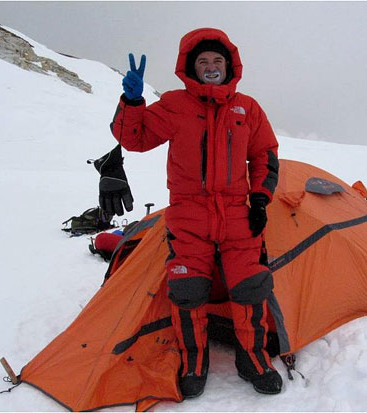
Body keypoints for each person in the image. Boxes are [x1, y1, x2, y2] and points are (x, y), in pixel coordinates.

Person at [109, 27, 282, 398]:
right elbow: (134, 138)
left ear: (229, 65)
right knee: (187, 291)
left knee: (251, 288)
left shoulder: (247, 108)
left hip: (238, 214)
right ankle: (194, 360)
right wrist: (131, 101)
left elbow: (264, 156)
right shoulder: (174, 104)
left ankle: (252, 358)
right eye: (202, 61)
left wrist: (261, 200)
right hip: (188, 216)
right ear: (191, 67)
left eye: (217, 60)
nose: (211, 67)